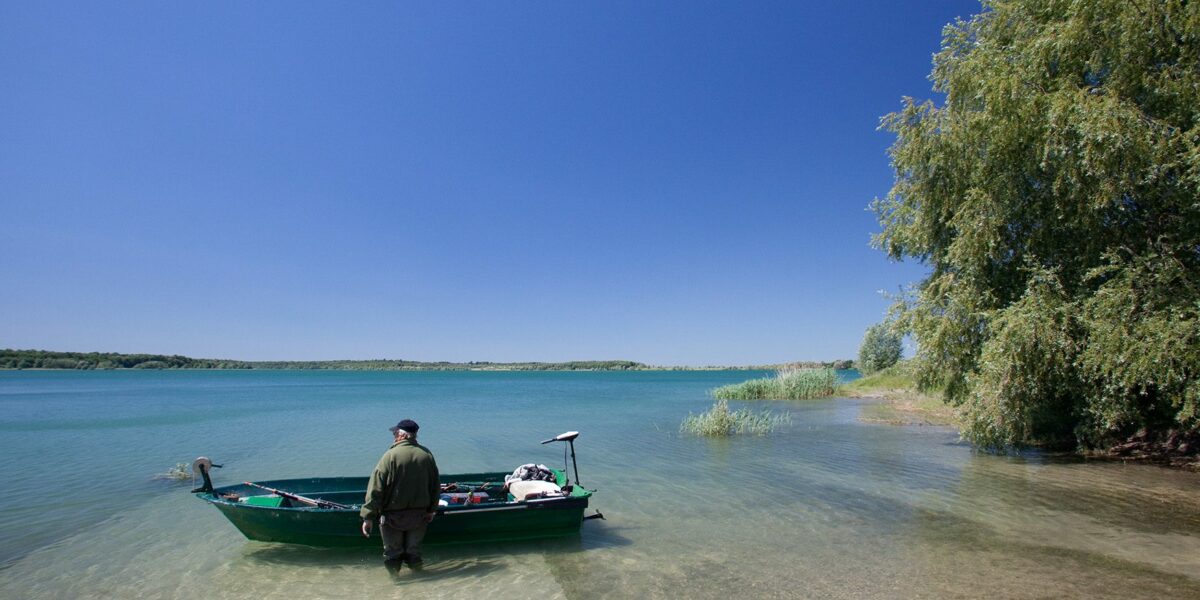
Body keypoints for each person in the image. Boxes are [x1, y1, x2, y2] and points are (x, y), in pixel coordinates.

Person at [360, 418, 440, 568]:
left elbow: (375, 489)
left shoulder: (389, 456)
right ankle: (419, 579)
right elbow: (435, 486)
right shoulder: (426, 455)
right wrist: (432, 510)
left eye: (395, 433)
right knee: (413, 552)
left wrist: (367, 517)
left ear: (401, 435)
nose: (394, 435)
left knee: (392, 554)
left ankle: (396, 584)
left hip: (392, 517)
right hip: (419, 515)